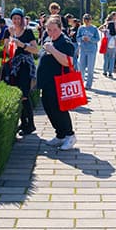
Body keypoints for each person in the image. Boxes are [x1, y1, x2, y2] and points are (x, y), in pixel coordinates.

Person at [37, 16, 78, 150]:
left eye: (54, 30)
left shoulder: (64, 42)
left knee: (59, 109)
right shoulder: (48, 39)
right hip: (47, 82)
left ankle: (69, 135)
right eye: (48, 29)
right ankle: (60, 134)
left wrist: (53, 50)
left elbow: (69, 62)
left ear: (60, 28)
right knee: (49, 107)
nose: (51, 32)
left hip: (59, 82)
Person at [2, 8, 39, 136]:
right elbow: (7, 51)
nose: (17, 21)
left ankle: (30, 124)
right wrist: (11, 37)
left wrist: (22, 45)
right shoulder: (8, 31)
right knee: (17, 94)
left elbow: (35, 50)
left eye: (19, 18)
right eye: (14, 18)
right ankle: (23, 122)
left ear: (22, 19)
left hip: (25, 66)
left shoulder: (28, 32)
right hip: (14, 66)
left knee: (24, 94)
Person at [76, 14, 100, 90]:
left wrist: (90, 39)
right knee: (81, 68)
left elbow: (98, 39)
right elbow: (77, 37)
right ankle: (81, 83)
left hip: (91, 50)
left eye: (88, 19)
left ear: (91, 20)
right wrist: (82, 38)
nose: (86, 21)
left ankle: (89, 84)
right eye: (85, 19)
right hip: (83, 49)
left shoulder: (94, 28)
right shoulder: (81, 28)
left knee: (90, 68)